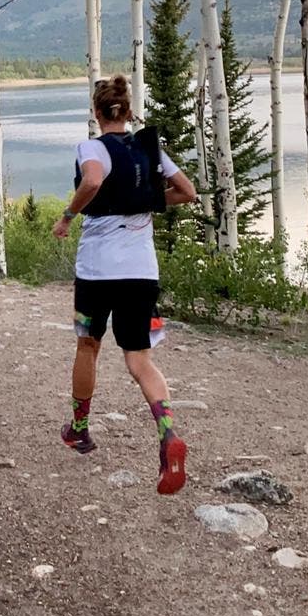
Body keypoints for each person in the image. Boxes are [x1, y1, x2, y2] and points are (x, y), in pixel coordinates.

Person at [52, 74, 198, 493]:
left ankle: (79, 429)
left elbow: (94, 180)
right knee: (139, 360)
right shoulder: (149, 150)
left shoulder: (92, 147)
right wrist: (148, 199)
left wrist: (67, 216)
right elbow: (186, 192)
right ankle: (168, 433)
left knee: (88, 345)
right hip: (141, 272)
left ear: (97, 114)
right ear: (129, 112)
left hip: (98, 271)